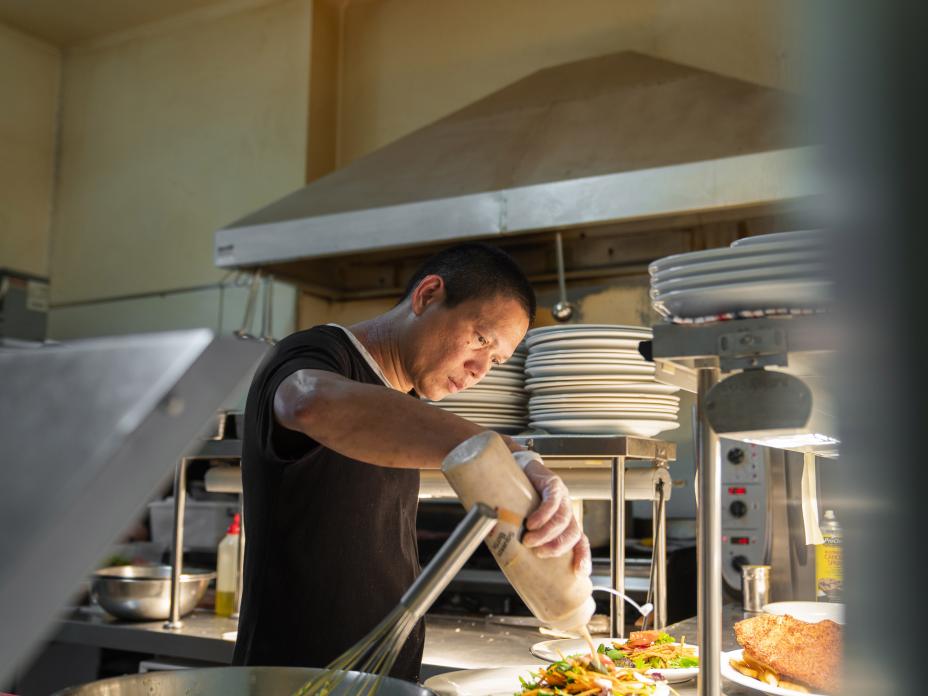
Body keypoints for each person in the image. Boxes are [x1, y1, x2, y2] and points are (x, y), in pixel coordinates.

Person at [233, 243, 591, 681]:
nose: (480, 369)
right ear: (427, 296)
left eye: (495, 360)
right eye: (481, 339)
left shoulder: (405, 405)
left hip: (383, 680)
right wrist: (509, 451)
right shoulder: (318, 354)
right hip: (292, 679)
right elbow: (307, 402)